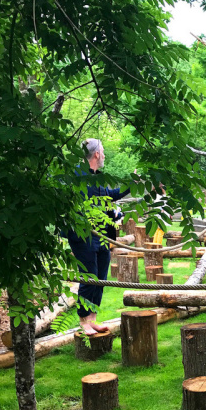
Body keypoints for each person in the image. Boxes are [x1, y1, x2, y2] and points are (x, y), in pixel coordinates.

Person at [68, 139, 130, 335]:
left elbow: (110, 196)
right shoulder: (77, 176)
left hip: (102, 235)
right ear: (96, 154)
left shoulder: (98, 177)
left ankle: (93, 318)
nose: (104, 155)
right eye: (102, 152)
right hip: (83, 234)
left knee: (101, 275)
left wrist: (131, 185)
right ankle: (83, 320)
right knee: (90, 275)